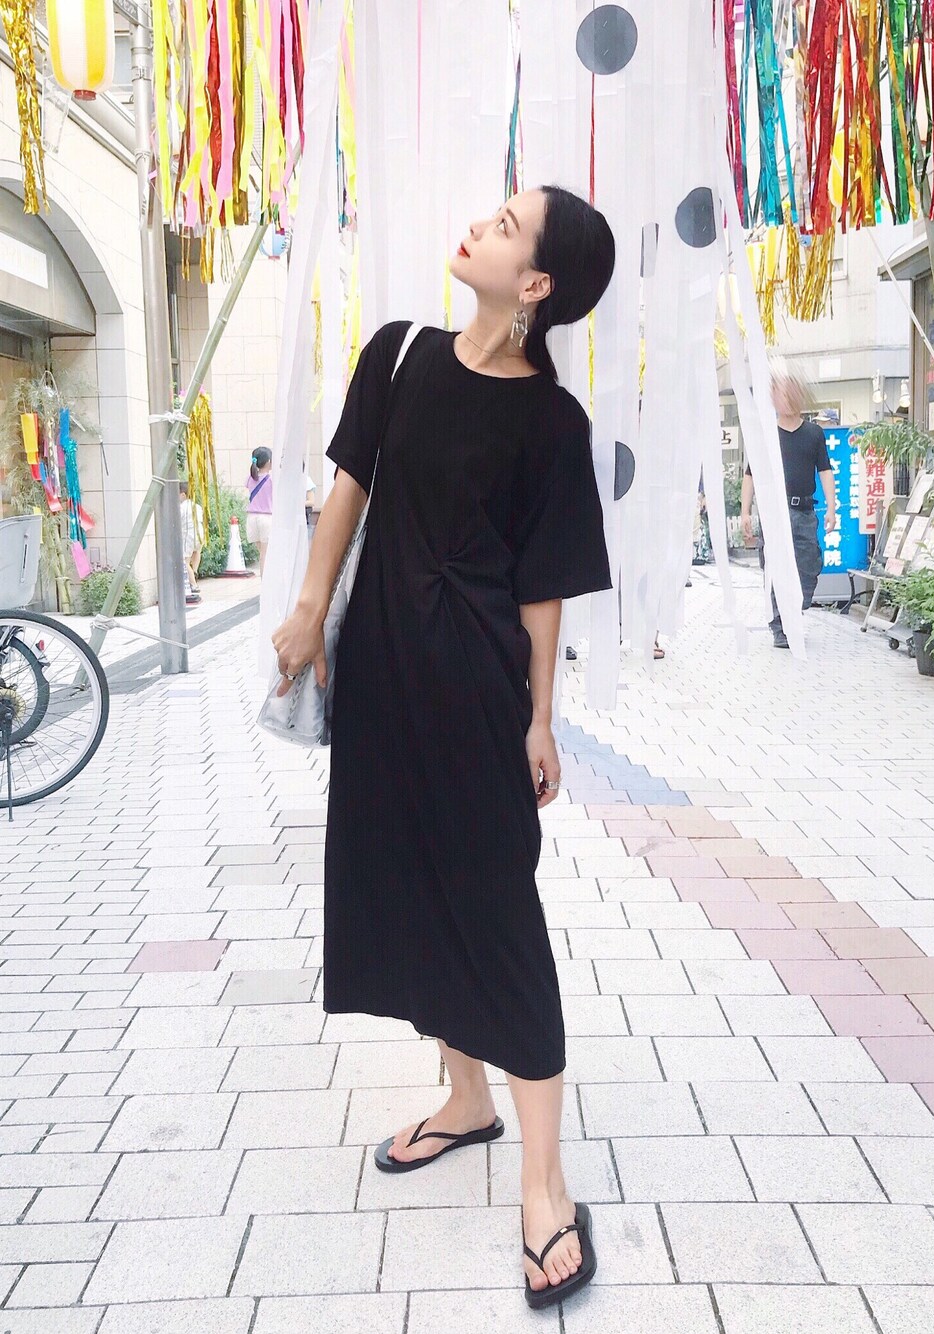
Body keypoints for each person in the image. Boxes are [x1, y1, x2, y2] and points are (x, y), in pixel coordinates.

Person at [271, 188, 614, 1310]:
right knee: (408, 888)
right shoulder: (399, 353)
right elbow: (347, 490)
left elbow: (545, 585)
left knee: (497, 913)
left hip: (475, 688)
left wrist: (540, 717)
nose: (481, 224)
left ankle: (545, 1185)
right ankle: (466, 1099)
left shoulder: (552, 423)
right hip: (380, 679)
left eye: (508, 227)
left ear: (537, 284)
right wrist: (309, 607)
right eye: (495, 212)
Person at [740, 363, 836, 648]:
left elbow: (825, 471)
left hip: (804, 512)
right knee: (775, 569)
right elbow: (750, 474)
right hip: (774, 513)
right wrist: (745, 512)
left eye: (790, 392)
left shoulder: (814, 433)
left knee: (809, 567)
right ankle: (780, 626)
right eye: (781, 393)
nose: (786, 398)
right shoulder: (766, 433)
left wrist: (832, 508)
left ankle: (795, 608)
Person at [246, 447, 273, 574]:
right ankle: (265, 582)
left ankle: (266, 580)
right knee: (265, 555)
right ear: (268, 461)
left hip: (251, 518)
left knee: (262, 553)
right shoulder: (272, 479)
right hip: (266, 519)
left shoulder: (250, 478)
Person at [178, 479, 203, 604]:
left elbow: (177, 521)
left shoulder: (182, 507)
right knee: (196, 552)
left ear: (183, 494)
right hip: (199, 534)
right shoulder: (197, 506)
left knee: (184, 560)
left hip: (188, 535)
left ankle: (193, 584)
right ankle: (195, 571)